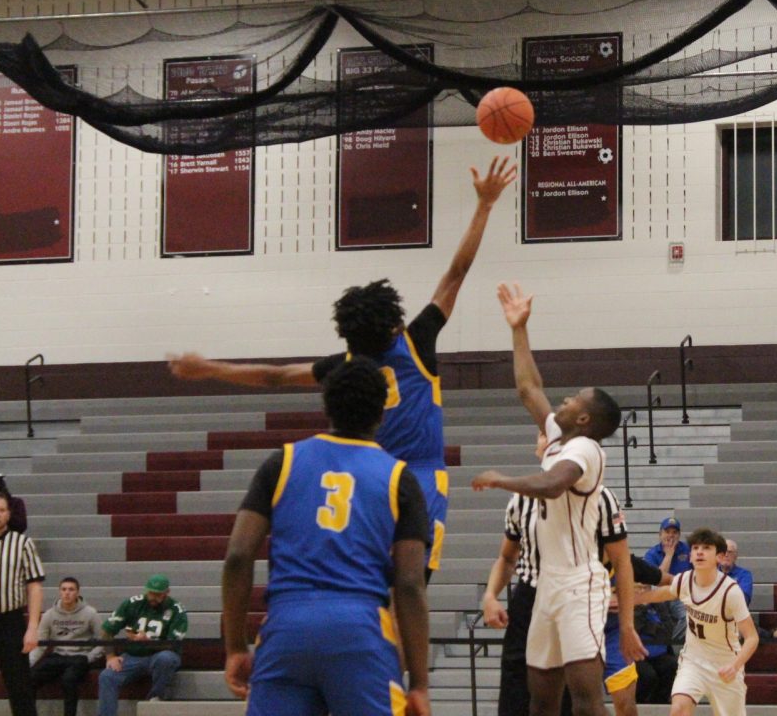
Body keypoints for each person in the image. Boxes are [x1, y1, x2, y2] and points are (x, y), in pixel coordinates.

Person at [168, 155, 517, 576]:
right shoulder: (416, 341)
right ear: (393, 325)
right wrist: (484, 205)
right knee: (409, 588)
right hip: (421, 480)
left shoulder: (346, 366)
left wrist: (208, 368)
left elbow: (275, 376)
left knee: (364, 582)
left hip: (368, 480)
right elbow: (456, 272)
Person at [471, 281, 645, 716]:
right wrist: (518, 328)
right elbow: (529, 388)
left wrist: (501, 479)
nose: (563, 400)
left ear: (584, 418)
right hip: (546, 585)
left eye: (572, 400)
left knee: (585, 701)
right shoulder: (557, 441)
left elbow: (552, 485)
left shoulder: (587, 450)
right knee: (541, 700)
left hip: (579, 584)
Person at [221, 359, 431, 716]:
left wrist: (236, 648)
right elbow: (409, 584)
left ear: (326, 406)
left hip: (287, 628)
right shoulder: (400, 479)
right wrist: (420, 684)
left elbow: (238, 556)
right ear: (382, 413)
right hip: (360, 630)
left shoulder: (282, 462)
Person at [483, 484, 651, 716]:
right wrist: (490, 595)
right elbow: (506, 557)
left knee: (577, 700)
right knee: (517, 697)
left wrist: (627, 625)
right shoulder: (523, 498)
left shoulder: (600, 497)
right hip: (529, 599)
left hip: (576, 598)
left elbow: (623, 562)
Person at [636, 527, 759, 716]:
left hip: (725, 664)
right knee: (678, 709)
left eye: (707, 548)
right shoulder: (685, 580)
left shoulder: (730, 591)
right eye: (695, 548)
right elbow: (662, 593)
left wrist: (735, 666)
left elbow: (752, 638)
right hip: (693, 661)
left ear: (719, 557)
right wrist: (628, 599)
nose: (699, 552)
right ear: (690, 556)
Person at [0, 490, 44, 716]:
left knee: (20, 689)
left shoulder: (22, 543)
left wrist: (33, 627)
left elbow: (34, 586)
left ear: (8, 515)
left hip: (10, 622)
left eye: (2, 510)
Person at [97, 574, 187, 716]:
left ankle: (156, 698)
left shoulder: (177, 610)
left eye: (157, 594)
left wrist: (148, 642)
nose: (153, 597)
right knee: (107, 676)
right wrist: (110, 656)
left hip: (160, 655)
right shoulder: (133, 603)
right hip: (133, 656)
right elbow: (106, 630)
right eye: (150, 593)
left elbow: (173, 644)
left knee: (166, 659)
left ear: (167, 592)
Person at [30, 577, 103, 716]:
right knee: (30, 678)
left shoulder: (90, 613)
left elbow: (103, 641)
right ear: (59, 592)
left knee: (68, 680)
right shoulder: (49, 615)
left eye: (71, 589)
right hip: (58, 656)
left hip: (80, 657)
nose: (67, 593)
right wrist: (28, 663)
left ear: (77, 592)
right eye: (64, 589)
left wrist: (89, 658)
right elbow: (40, 644)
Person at [644, 517, 692, 641]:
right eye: (667, 532)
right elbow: (656, 580)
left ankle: (671, 642)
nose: (671, 535)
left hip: (680, 596)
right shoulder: (651, 554)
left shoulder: (688, 550)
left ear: (679, 535)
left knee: (690, 616)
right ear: (660, 534)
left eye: (675, 532)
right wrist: (669, 555)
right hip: (659, 596)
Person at [719, 539, 754, 606]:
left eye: (730, 552)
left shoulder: (744, 575)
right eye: (723, 552)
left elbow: (743, 600)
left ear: (735, 556)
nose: (726, 555)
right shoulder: (711, 573)